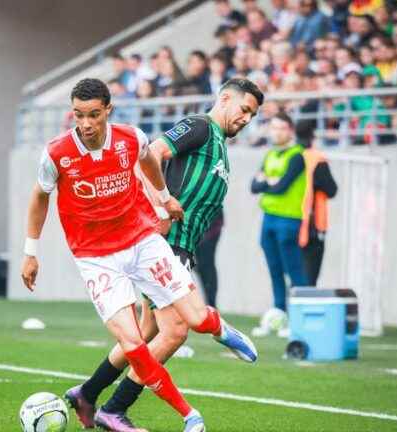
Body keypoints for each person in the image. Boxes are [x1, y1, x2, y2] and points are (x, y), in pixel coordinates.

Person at [22, 78, 261, 432]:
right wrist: (160, 206)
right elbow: (155, 154)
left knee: (149, 329)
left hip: (170, 242)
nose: (246, 118)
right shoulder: (199, 127)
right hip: (161, 240)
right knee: (173, 330)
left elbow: (147, 159)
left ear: (106, 112)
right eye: (243, 109)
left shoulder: (218, 147)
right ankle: (117, 409)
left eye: (252, 114)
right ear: (224, 98)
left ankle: (89, 394)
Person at [250, 112, 309, 337]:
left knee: (294, 272)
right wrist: (267, 182)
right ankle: (280, 315)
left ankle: (300, 320)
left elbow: (281, 187)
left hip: (289, 219)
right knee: (275, 270)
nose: (276, 132)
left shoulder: (297, 155)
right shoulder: (270, 154)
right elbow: (253, 186)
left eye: (281, 128)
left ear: (290, 131)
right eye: (273, 127)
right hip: (269, 219)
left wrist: (267, 181)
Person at [295, 121, 337, 287]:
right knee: (309, 278)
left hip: (291, 222)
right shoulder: (317, 159)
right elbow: (332, 189)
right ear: (313, 136)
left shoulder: (290, 156)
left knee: (293, 276)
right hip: (312, 227)